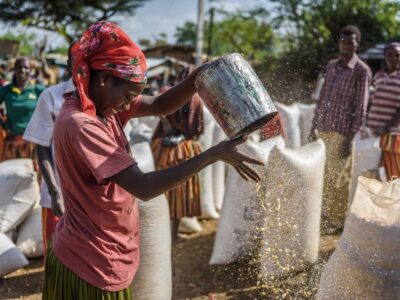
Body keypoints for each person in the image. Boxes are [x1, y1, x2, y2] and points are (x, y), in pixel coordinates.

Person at [43, 21, 262, 299]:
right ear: (104, 79)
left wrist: (198, 77)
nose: (129, 105)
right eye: (128, 96)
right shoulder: (83, 124)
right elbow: (144, 187)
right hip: (90, 260)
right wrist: (212, 154)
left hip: (96, 250)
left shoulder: (101, 105)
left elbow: (161, 105)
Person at [309, 25, 372, 234]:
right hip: (323, 130)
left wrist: (349, 138)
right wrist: (313, 126)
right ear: (339, 43)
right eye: (343, 41)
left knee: (338, 181)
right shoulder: (331, 66)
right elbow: (322, 98)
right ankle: (326, 217)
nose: (346, 44)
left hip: (341, 133)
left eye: (350, 41)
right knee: (324, 176)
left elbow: (361, 107)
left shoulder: (361, 70)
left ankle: (337, 222)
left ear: (357, 44)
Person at [23, 42, 76, 256]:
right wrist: (55, 193)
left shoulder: (103, 98)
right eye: (79, 59)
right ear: (69, 64)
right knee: (56, 259)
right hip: (59, 194)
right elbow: (42, 147)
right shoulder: (52, 96)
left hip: (90, 198)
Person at [151, 66, 204, 242]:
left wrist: (166, 122)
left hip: (161, 149)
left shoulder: (167, 92)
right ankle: (173, 235)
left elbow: (158, 109)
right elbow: (197, 130)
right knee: (180, 195)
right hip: (184, 151)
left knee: (160, 191)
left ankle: (159, 234)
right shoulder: (196, 98)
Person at [0, 57, 45, 162]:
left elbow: (52, 107)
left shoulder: (37, 90)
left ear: (31, 70)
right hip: (12, 142)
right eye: (19, 67)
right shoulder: (6, 90)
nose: (22, 70)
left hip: (32, 143)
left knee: (30, 176)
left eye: (26, 67)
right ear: (14, 69)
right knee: (10, 176)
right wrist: (2, 122)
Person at [366, 43, 400, 179]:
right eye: (390, 55)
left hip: (392, 134)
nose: (394, 58)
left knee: (395, 175)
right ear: (385, 57)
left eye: (397, 55)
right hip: (373, 133)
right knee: (373, 174)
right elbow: (372, 100)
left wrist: (385, 127)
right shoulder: (378, 76)